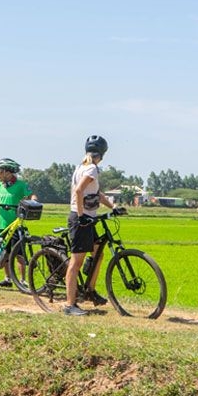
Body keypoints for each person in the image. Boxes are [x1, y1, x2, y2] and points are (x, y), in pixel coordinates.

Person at [63, 135, 116, 316]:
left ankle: (90, 291)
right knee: (76, 262)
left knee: (97, 253)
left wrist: (113, 207)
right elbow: (78, 191)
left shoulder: (82, 167)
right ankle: (69, 305)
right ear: (101, 154)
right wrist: (81, 216)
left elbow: (96, 193)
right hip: (81, 219)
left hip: (87, 218)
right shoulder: (91, 168)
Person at [0, 158, 38, 287]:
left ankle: (22, 280)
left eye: (0, 172)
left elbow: (32, 195)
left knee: (19, 254)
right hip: (2, 225)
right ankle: (7, 279)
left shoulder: (21, 185)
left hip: (16, 225)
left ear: (7, 172)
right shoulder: (0, 185)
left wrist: (34, 201)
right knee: (5, 253)